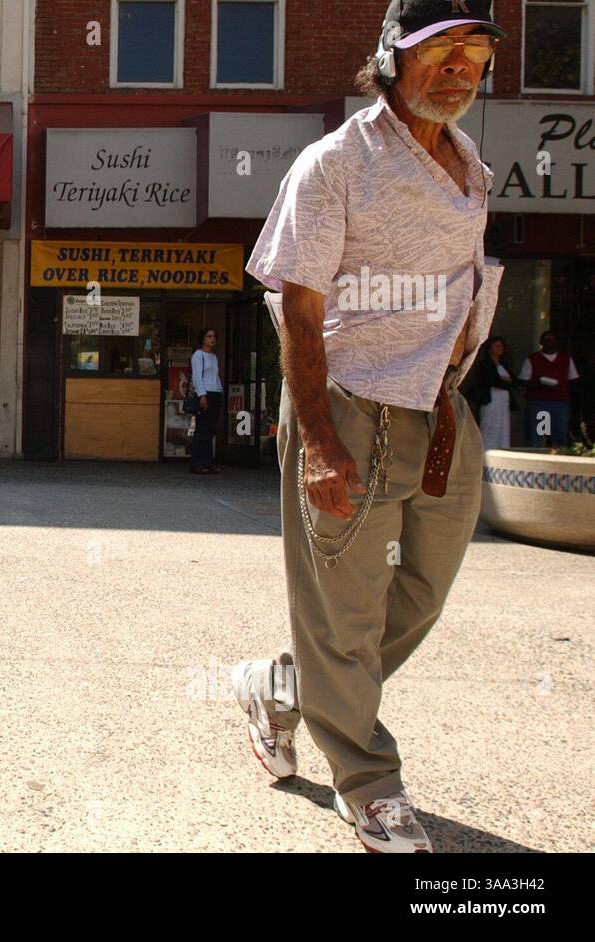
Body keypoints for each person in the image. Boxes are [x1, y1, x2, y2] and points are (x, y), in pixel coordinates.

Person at [232, 1, 505, 852]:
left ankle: (278, 688)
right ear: (391, 58)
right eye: (439, 50)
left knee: (417, 595)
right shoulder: (334, 166)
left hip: (440, 410)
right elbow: (300, 316)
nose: (459, 66)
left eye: (476, 50)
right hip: (347, 403)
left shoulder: (473, 172)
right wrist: (316, 440)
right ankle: (368, 782)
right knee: (345, 616)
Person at [520, 331, 579, 446]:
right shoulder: (532, 359)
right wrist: (538, 383)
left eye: (552, 339)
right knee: (536, 435)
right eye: (546, 339)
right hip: (538, 403)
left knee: (559, 435)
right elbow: (523, 380)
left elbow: (573, 379)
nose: (549, 342)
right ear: (541, 342)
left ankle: (559, 461)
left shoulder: (566, 359)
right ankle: (535, 460)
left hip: (560, 403)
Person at [464, 336, 515, 450]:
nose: (499, 349)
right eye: (496, 346)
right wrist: (504, 381)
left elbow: (513, 380)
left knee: (503, 426)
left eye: (501, 346)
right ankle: (487, 451)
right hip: (491, 399)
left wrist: (506, 381)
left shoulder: (504, 365)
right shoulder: (485, 364)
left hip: (503, 400)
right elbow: (490, 380)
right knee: (490, 425)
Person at [189, 327, 222, 474]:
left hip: (215, 392)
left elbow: (215, 376)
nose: (212, 339)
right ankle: (197, 463)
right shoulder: (198, 355)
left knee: (210, 430)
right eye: (209, 336)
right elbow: (197, 376)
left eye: (214, 336)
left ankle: (208, 462)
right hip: (205, 393)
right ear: (203, 338)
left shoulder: (214, 357)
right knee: (201, 429)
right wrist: (202, 395)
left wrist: (219, 390)